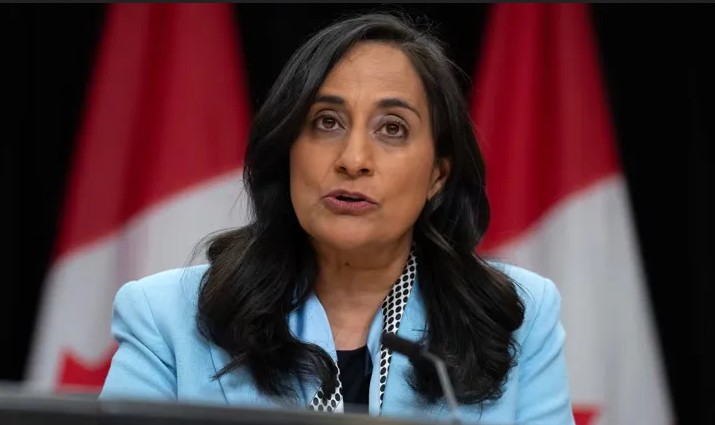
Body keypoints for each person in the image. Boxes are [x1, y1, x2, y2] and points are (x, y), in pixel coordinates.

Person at [99, 12, 575, 425]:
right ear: (288, 150)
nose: (353, 159)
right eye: (327, 121)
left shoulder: (518, 317)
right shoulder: (166, 319)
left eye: (393, 128)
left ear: (437, 174)